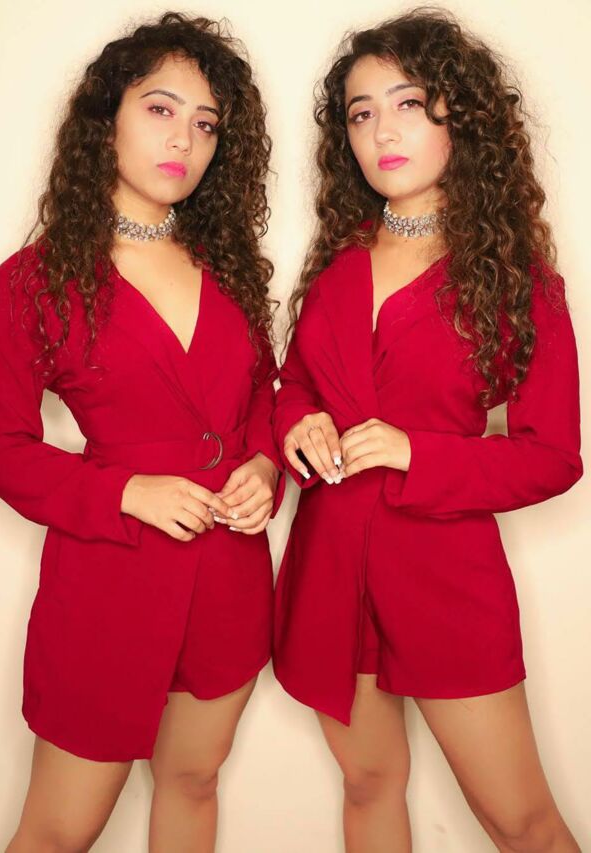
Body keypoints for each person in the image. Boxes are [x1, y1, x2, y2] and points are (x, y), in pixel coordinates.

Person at [0, 12, 284, 852]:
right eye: (160, 108)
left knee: (194, 784)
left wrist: (263, 465)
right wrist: (123, 491)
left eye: (206, 124)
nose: (184, 138)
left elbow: (262, 400)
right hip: (108, 587)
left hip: (229, 577)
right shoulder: (32, 282)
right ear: (105, 118)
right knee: (59, 830)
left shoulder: (229, 269)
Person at [272, 9, 582, 852]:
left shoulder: (521, 282)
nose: (382, 131)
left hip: (445, 573)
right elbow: (296, 384)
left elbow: (554, 457)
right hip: (331, 563)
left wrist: (418, 452)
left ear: (462, 117)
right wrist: (299, 421)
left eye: (408, 104)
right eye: (361, 113)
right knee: (368, 785)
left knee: (521, 821)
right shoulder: (337, 263)